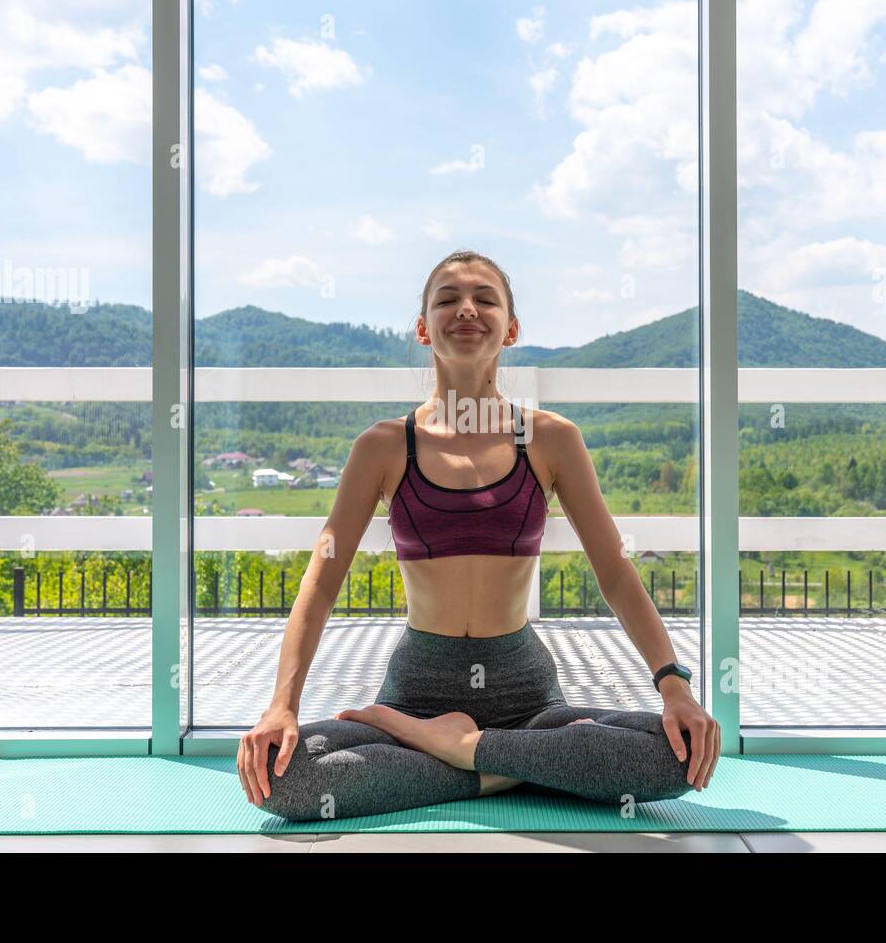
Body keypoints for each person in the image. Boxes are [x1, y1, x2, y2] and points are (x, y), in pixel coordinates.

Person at [237, 250, 720, 821]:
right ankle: (515, 768)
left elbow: (614, 572)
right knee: (282, 779)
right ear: (423, 328)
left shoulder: (550, 439)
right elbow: (320, 585)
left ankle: (459, 749)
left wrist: (674, 687)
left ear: (511, 328)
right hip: (416, 691)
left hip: (525, 695)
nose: (467, 309)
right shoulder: (384, 446)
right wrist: (281, 706)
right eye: (447, 299)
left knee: (678, 756)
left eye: (485, 298)